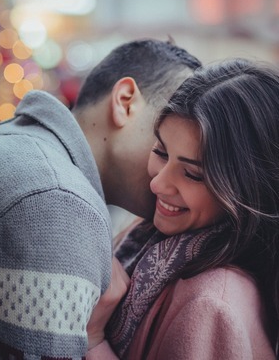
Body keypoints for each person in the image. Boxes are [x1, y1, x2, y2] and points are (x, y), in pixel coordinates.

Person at [0, 39, 201, 359]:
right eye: (167, 136)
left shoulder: (16, 150)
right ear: (125, 102)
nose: (179, 164)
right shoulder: (57, 200)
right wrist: (94, 339)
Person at [91, 58, 279, 359]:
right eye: (161, 152)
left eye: (193, 174)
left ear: (249, 189)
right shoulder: (148, 240)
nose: (158, 185)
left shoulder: (213, 303)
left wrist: (93, 340)